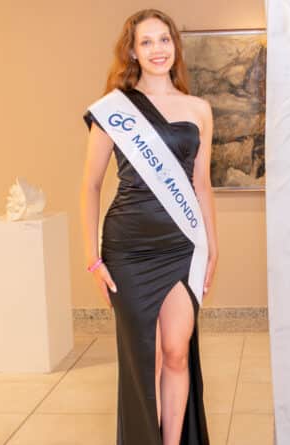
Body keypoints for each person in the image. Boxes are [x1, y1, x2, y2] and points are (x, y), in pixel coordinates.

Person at [80, 9, 217, 445]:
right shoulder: (113, 110)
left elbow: (201, 184)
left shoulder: (199, 109)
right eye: (147, 42)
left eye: (164, 39)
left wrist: (212, 247)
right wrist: (93, 257)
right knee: (148, 358)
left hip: (181, 246)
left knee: (176, 352)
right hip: (128, 249)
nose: (158, 49)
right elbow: (90, 186)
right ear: (133, 52)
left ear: (175, 45)